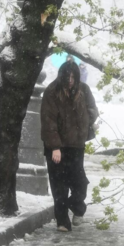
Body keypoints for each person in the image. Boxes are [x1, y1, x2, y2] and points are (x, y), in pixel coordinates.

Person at [40, 61, 99, 232]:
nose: (71, 80)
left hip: (76, 145)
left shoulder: (84, 90)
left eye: (73, 76)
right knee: (59, 186)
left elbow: (93, 110)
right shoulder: (52, 92)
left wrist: (85, 121)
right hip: (56, 147)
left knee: (80, 183)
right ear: (62, 75)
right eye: (68, 76)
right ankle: (62, 221)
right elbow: (48, 121)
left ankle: (77, 207)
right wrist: (55, 147)